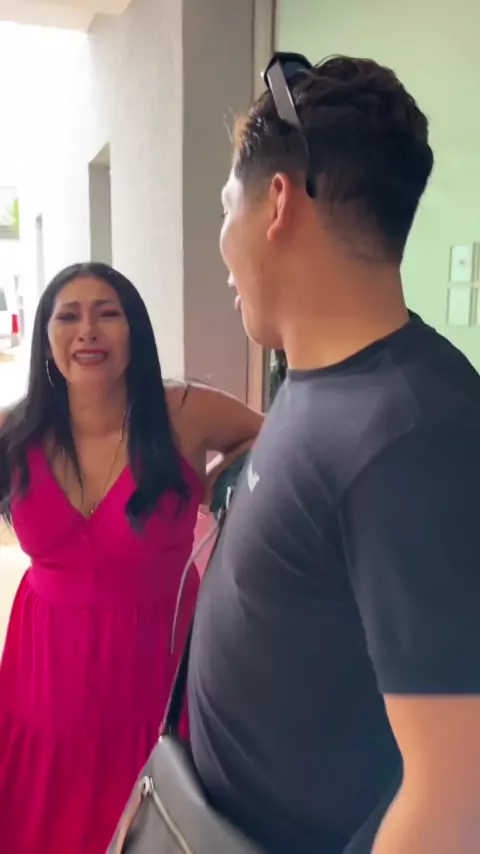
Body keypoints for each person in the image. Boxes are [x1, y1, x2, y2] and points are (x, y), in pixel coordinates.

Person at [187, 53, 480, 854]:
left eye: (226, 207)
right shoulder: (321, 380)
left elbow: (456, 798)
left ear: (278, 202)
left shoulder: (413, 435)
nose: (222, 243)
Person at [0, 261, 262, 854]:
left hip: (155, 659)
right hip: (44, 667)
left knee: (160, 814)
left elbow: (278, 434)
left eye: (107, 314)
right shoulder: (16, 429)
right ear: (46, 337)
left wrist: (219, 482)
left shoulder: (182, 411)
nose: (87, 331)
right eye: (68, 317)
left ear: (134, 331)